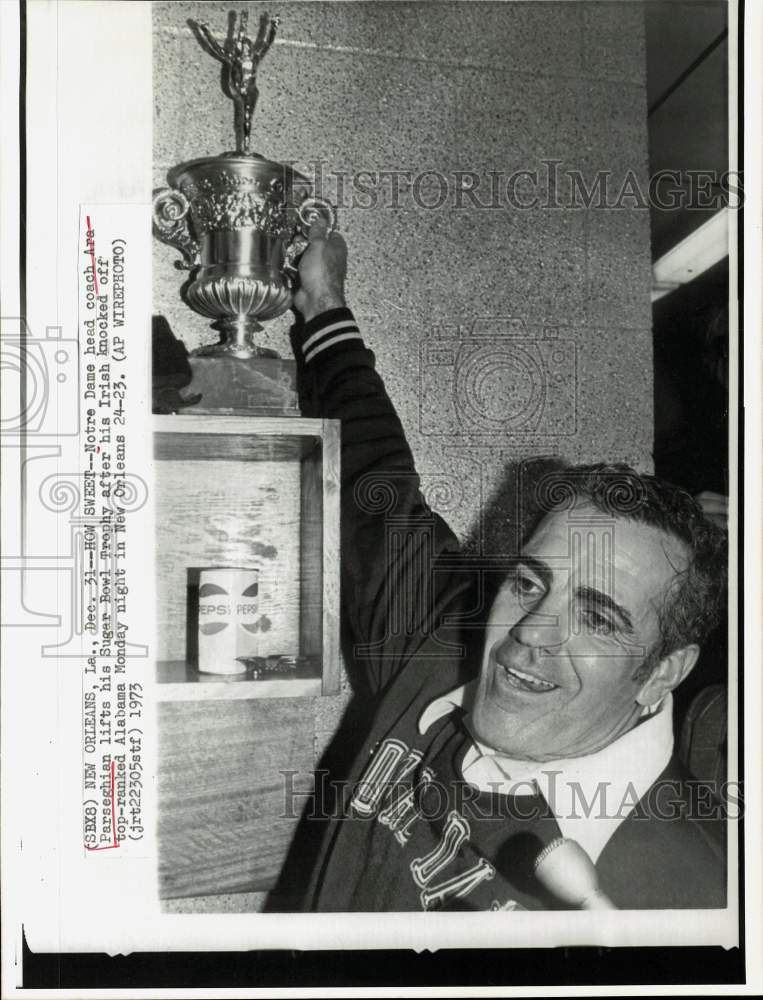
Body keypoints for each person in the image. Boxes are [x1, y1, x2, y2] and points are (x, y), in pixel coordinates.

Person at [280, 221, 728, 912]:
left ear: (664, 669)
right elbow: (376, 486)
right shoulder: (434, 650)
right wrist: (321, 303)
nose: (530, 634)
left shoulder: (675, 902)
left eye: (598, 618)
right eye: (528, 583)